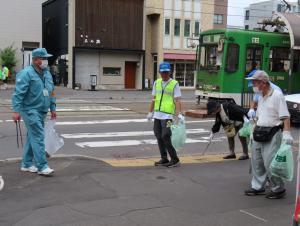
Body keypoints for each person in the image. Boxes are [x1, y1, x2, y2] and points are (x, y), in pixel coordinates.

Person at [244, 70, 293, 199]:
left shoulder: (277, 95)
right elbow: (260, 114)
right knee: (257, 161)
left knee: (270, 162)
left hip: (272, 132)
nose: (253, 85)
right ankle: (257, 186)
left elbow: (285, 116)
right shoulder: (260, 96)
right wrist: (253, 126)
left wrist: (287, 133)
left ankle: (278, 188)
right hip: (259, 131)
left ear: (263, 83)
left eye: (255, 82)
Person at [12, 48, 57, 176]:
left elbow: (52, 91)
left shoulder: (47, 73)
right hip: (29, 110)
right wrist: (16, 111)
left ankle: (26, 164)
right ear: (36, 59)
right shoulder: (26, 73)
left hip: (42, 110)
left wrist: (53, 108)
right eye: (44, 58)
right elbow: (18, 94)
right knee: (38, 136)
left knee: (33, 137)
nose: (46, 61)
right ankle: (42, 166)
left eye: (46, 58)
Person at [147, 62, 184, 168]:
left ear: (170, 72)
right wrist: (150, 112)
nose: (164, 74)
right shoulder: (156, 83)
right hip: (157, 115)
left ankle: (175, 159)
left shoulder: (174, 84)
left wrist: (179, 114)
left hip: (168, 116)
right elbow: (154, 98)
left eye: (166, 72)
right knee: (158, 136)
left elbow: (177, 100)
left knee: (166, 135)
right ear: (159, 72)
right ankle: (164, 158)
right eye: (162, 72)